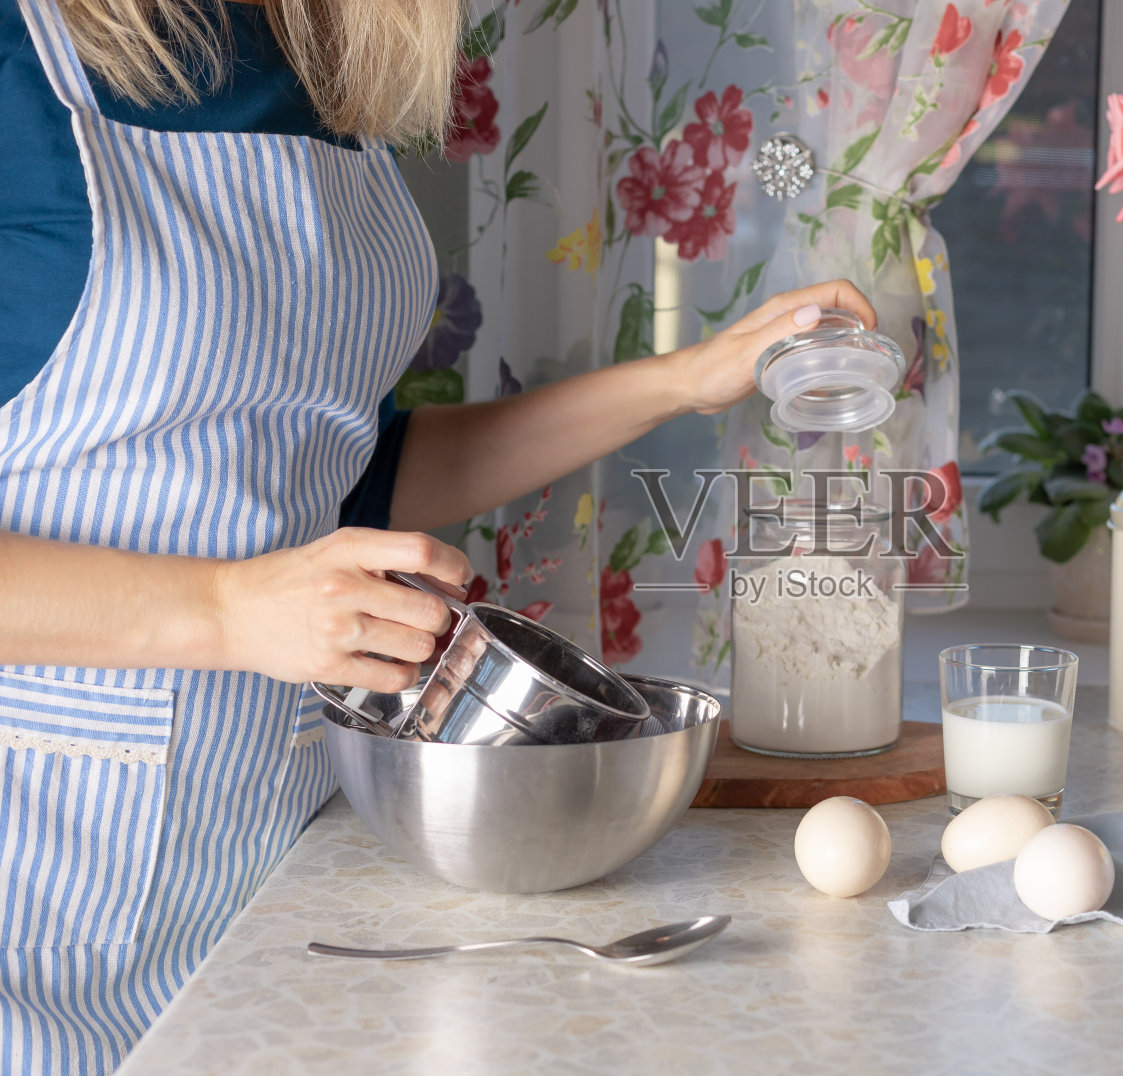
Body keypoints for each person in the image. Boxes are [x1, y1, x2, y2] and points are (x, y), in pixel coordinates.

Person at [0, 0, 875, 1070]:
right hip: (39, 870)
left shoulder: (328, 61)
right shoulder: (18, 56)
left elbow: (346, 470)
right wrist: (227, 609)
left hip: (264, 837)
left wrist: (682, 380)